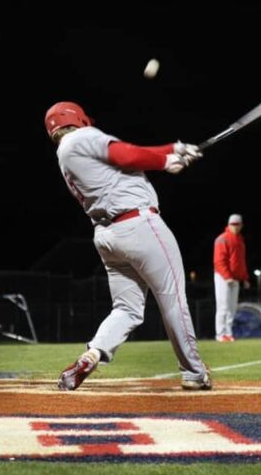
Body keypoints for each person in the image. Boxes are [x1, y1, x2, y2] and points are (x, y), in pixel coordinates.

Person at [45, 101, 212, 391]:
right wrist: (165, 158)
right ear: (78, 119)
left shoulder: (64, 153)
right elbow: (126, 155)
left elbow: (124, 160)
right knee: (173, 299)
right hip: (139, 226)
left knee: (127, 309)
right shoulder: (84, 137)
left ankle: (93, 354)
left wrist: (173, 150)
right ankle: (194, 372)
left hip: (107, 236)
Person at [213, 214, 250, 342]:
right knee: (223, 306)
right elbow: (219, 261)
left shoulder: (240, 240)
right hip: (222, 277)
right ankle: (220, 334)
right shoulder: (222, 239)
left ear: (241, 225)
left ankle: (228, 333)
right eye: (232, 224)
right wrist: (227, 277)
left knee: (232, 308)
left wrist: (244, 278)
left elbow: (241, 261)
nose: (235, 226)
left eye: (237, 224)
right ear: (228, 225)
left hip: (235, 278)